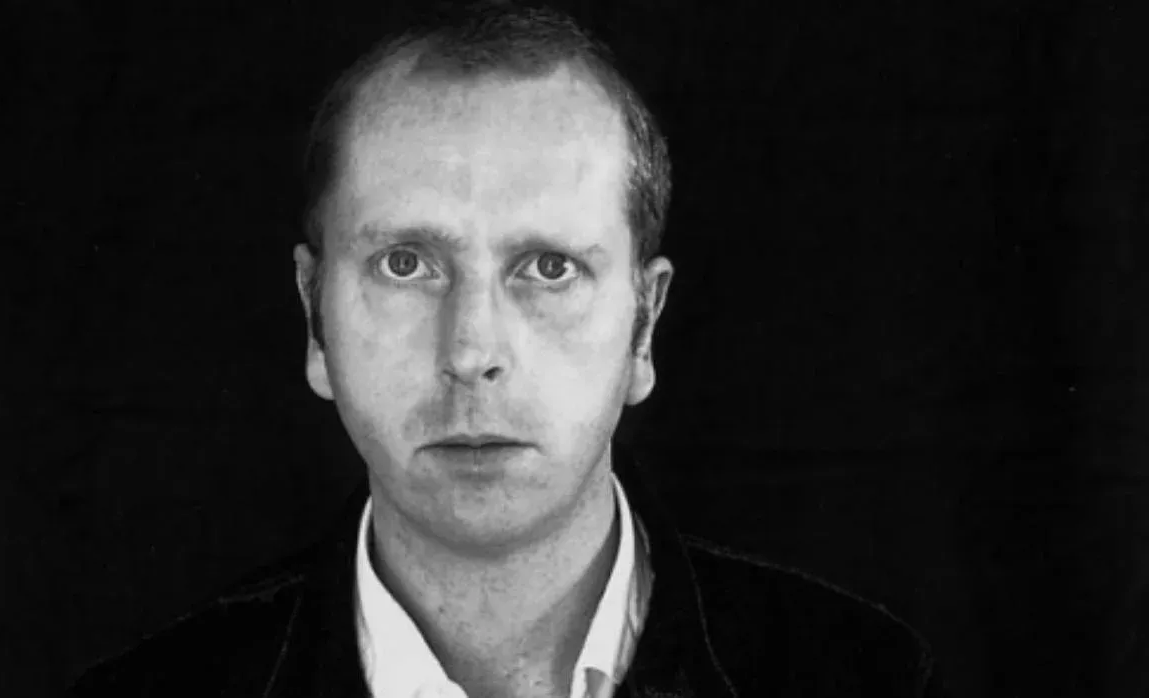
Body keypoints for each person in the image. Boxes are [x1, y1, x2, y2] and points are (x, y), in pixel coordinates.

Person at [68, 2, 946, 696]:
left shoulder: (871, 680)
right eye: (406, 264)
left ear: (644, 326)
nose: (472, 351)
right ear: (314, 319)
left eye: (549, 268)